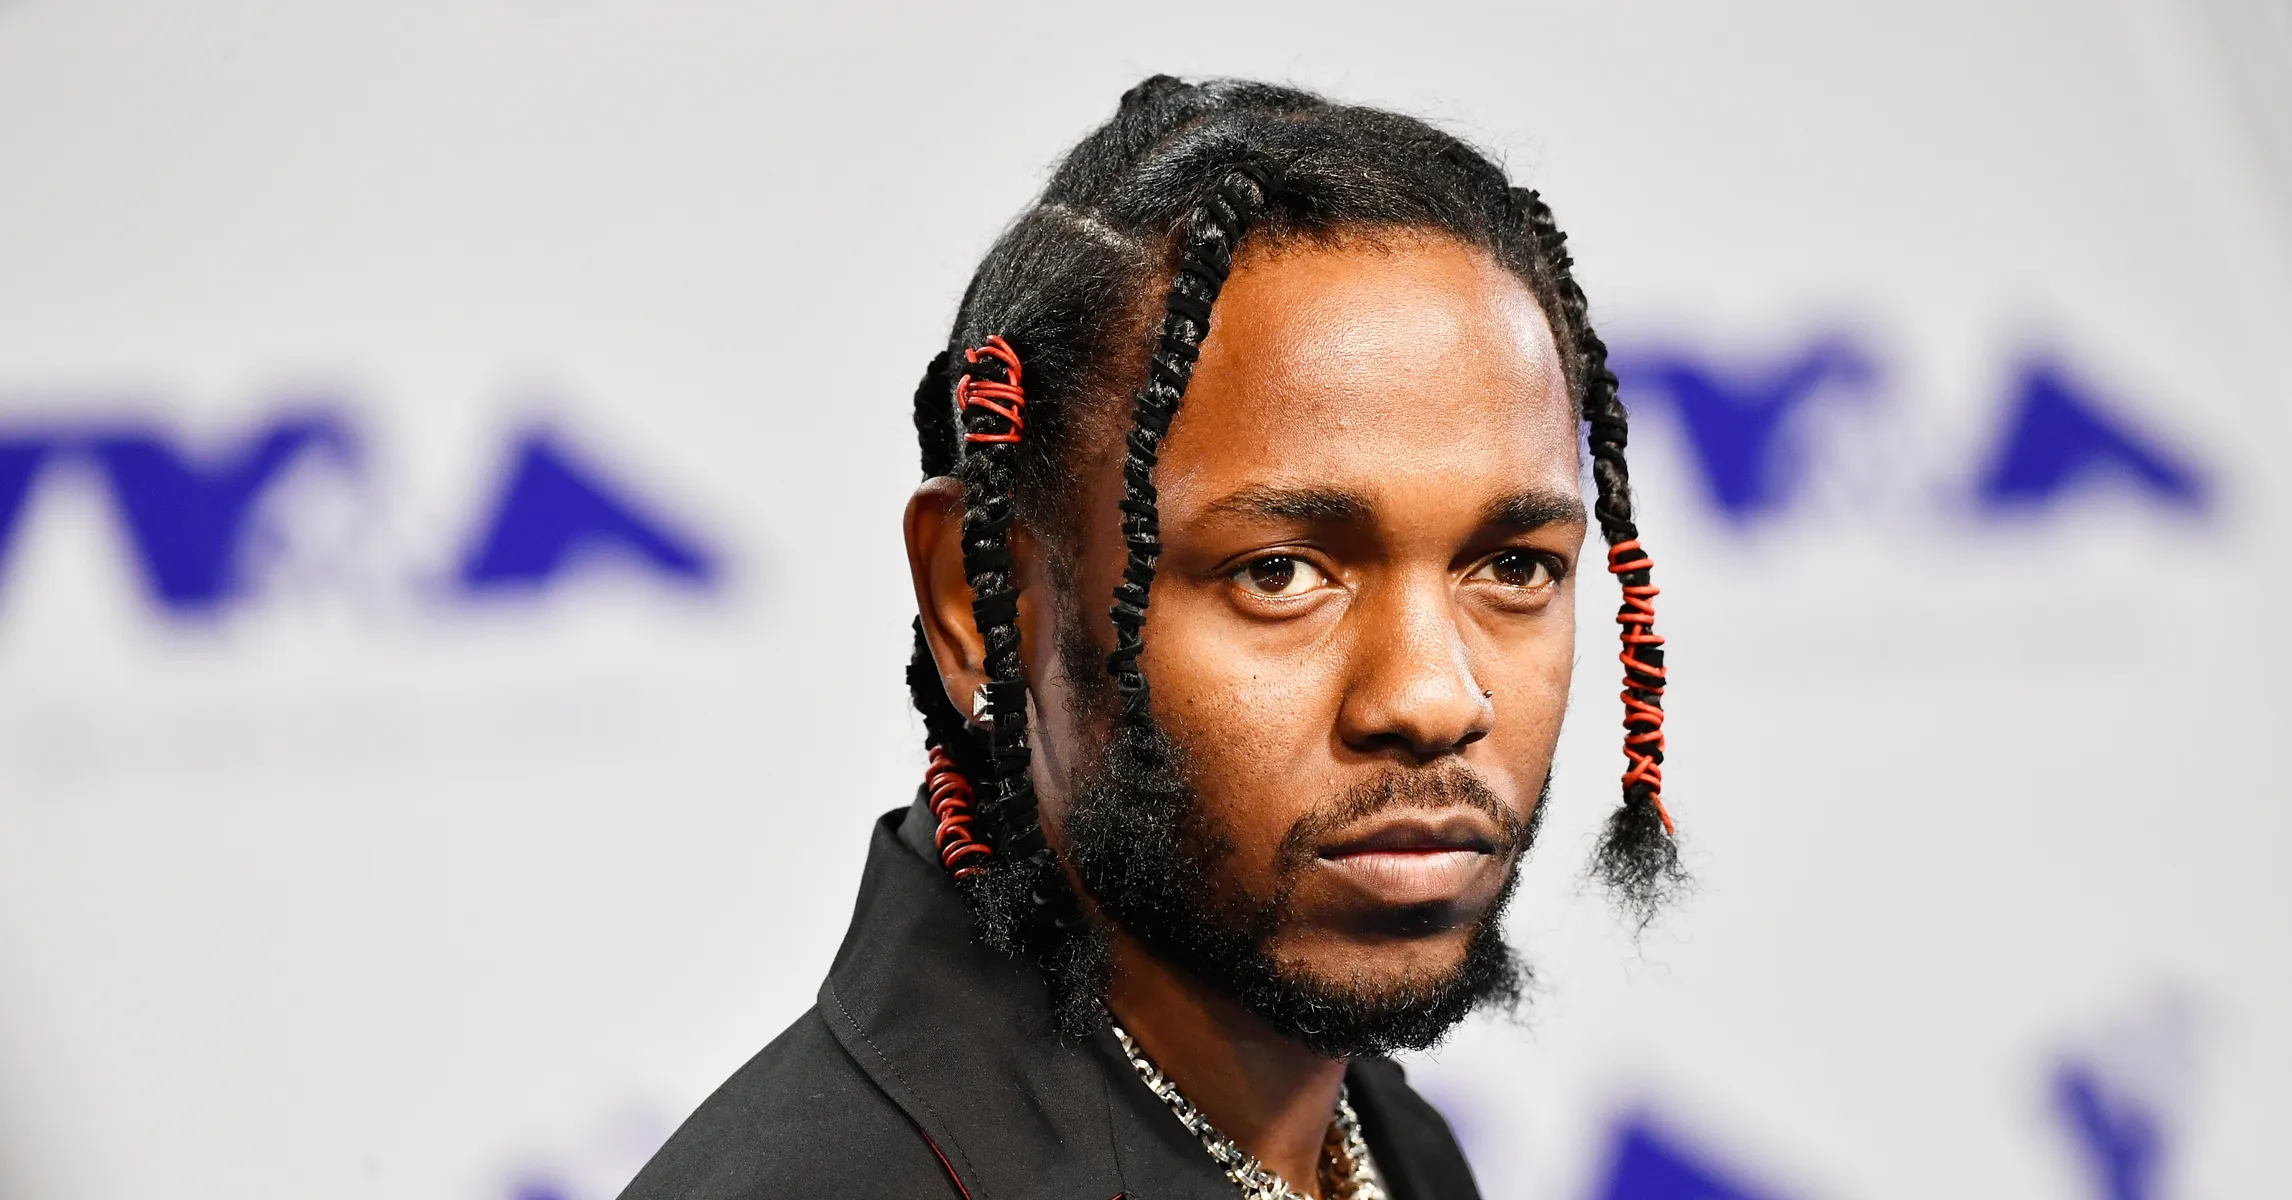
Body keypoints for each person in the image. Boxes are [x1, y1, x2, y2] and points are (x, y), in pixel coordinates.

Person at [619, 74, 1680, 1200]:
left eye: (1514, 568)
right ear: (982, 602)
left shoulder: (1392, 1147)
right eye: (1279, 572)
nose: (1435, 699)